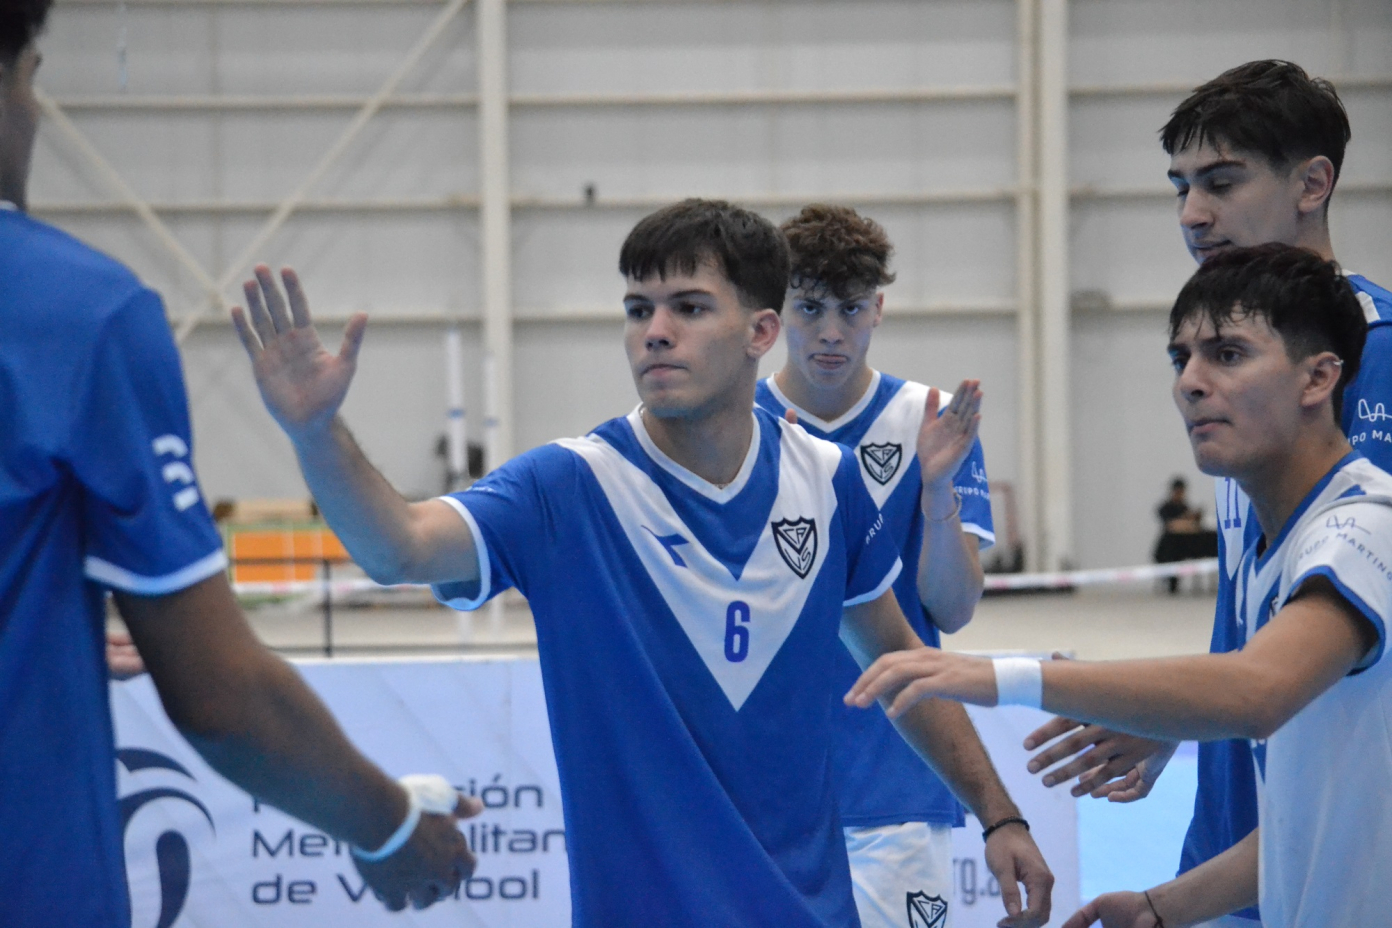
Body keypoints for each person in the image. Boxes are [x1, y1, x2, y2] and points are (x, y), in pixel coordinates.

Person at [230, 198, 1054, 928]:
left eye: (689, 307)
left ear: (761, 332)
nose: (655, 330)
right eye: (638, 308)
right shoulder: (566, 487)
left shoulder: (830, 481)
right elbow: (397, 547)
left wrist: (1000, 815)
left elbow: (902, 661)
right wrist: (315, 435)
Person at [0, 4, 481, 924]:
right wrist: (387, 826)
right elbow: (221, 695)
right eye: (32, 79)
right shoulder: (80, 314)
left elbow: (400, 551)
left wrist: (314, 435)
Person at [846, 244, 1387, 927]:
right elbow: (1309, 818)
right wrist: (1160, 908)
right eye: (1180, 358)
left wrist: (999, 675)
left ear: (1319, 378)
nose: (1191, 382)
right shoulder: (1269, 554)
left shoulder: (1365, 527)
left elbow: (1256, 691)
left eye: (1227, 354)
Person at [1018, 60, 1392, 927]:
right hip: (1237, 821)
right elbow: (1267, 605)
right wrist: (1185, 720)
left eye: (1221, 183)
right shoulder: (1236, 369)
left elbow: (1336, 632)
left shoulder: (1371, 356)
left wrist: (996, 678)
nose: (1192, 213)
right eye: (1180, 187)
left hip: (1331, 846)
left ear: (1313, 184)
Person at [753, 204, 993, 928]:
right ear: (776, 313)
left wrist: (938, 490)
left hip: (898, 781)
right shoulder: (732, 422)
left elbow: (952, 610)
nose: (831, 331)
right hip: (761, 785)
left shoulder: (932, 419)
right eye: (810, 308)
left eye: (851, 309)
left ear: (878, 309)